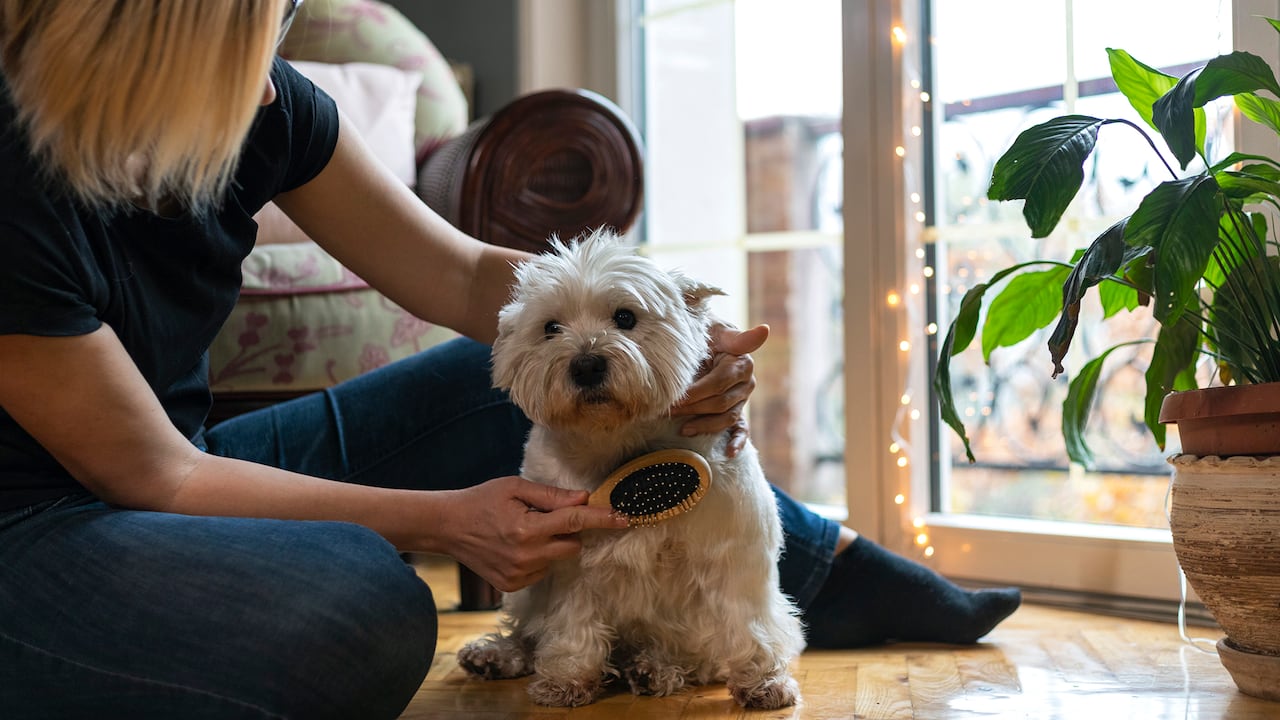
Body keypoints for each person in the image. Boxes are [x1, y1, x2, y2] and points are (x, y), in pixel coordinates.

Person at [0, 1, 1021, 717]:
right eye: (262, 23)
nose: (273, 71)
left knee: (520, 372)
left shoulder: (264, 108)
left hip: (178, 459)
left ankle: (819, 568)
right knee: (359, 611)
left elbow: (460, 276)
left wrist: (662, 337)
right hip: (40, 525)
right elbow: (147, 474)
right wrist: (445, 524)